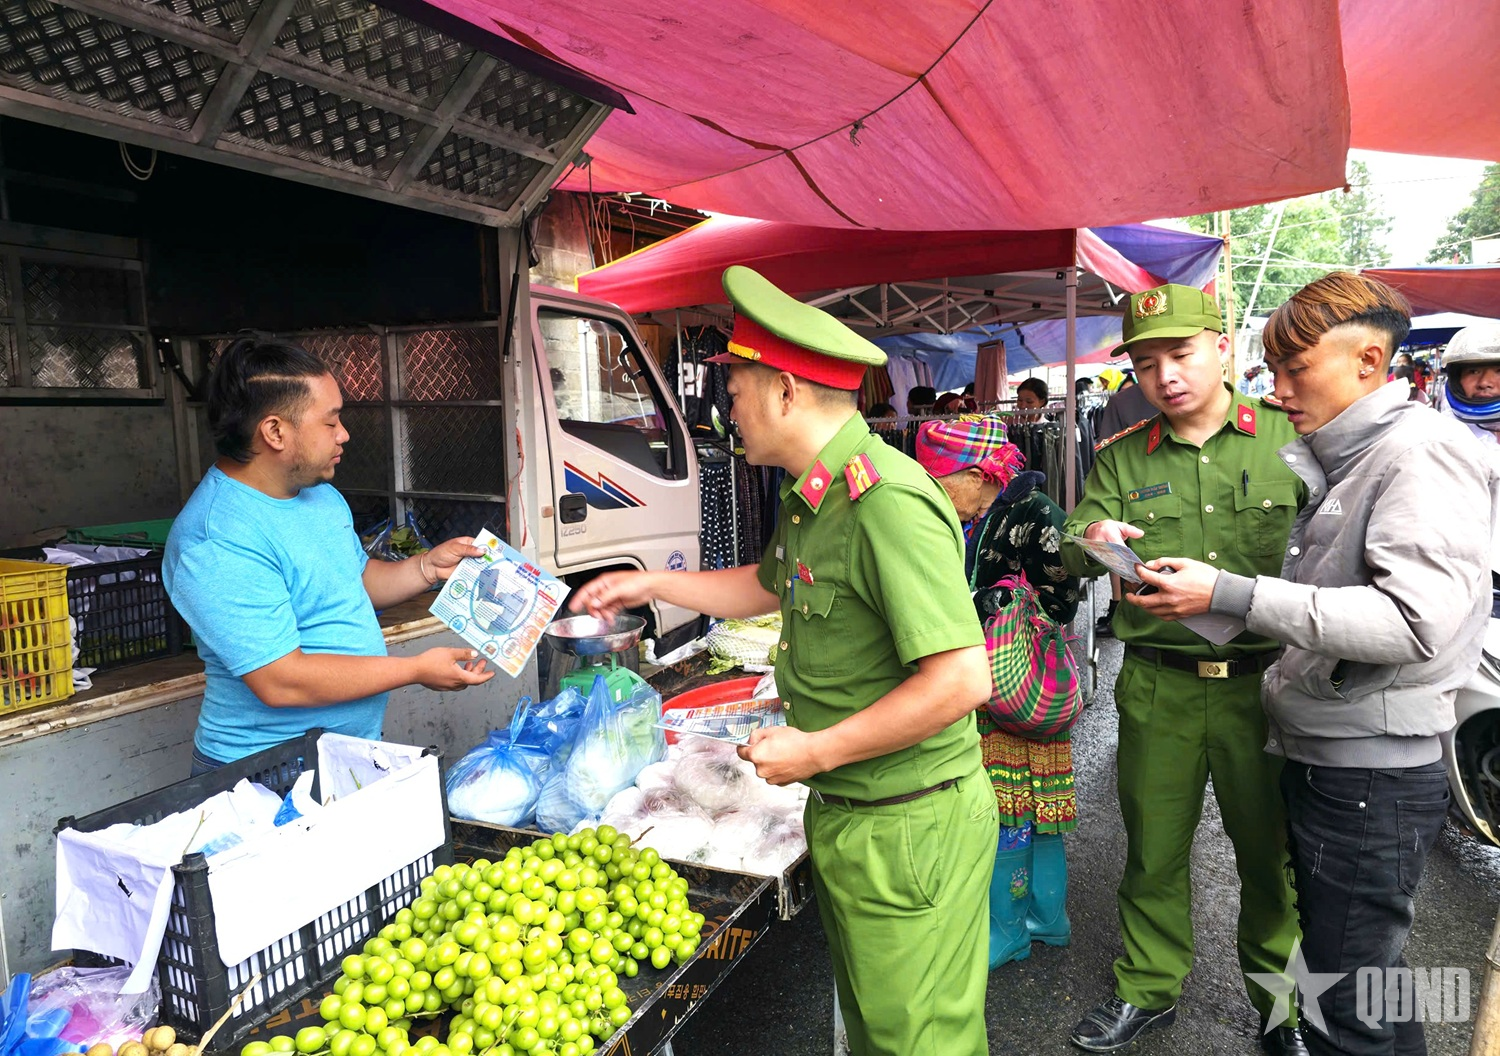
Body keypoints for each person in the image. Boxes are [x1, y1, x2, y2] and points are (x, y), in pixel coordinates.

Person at [574, 266, 996, 1056]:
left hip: (908, 820)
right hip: (855, 814)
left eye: (736, 386)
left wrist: (815, 749)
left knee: (919, 1043)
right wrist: (651, 581)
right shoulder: (816, 495)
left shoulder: (886, 503)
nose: (727, 405)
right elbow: (764, 586)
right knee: (882, 1035)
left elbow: (962, 679)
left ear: (788, 392)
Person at [1134, 274, 1499, 1056]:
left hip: (1368, 775)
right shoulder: (1355, 455)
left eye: (1297, 368)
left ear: (1369, 359)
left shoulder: (1418, 455)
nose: (1280, 387)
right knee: (1364, 983)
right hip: (1339, 755)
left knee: (1344, 1000)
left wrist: (1232, 589)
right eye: (1274, 368)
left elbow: (1413, 619)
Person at [1060, 284, 1306, 1055]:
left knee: (1272, 857)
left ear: (1223, 348)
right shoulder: (1123, 457)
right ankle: (1148, 987)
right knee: (1153, 848)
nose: (1164, 375)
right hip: (1159, 685)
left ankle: (1284, 1007)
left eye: (1181, 353)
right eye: (1145, 362)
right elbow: (1072, 541)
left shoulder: (1290, 442)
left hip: (1264, 686)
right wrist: (1093, 530)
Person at [164, 336, 494, 772]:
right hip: (266, 772)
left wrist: (426, 568)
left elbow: (352, 585)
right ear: (275, 431)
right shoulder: (216, 538)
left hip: (347, 753)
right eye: (330, 422)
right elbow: (282, 681)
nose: (345, 434)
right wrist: (414, 669)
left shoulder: (320, 498)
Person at [914, 415, 1082, 970]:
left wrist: (993, 602)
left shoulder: (1034, 513)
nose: (937, 493)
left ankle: (1013, 927)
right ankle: (1038, 917)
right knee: (1023, 807)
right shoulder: (974, 515)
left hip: (1022, 680)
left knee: (1019, 809)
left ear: (978, 472)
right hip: (990, 681)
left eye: (942, 481)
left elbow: (1063, 598)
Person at [1440, 321, 1500, 456]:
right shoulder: (1440, 440)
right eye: (1473, 371)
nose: (1484, 382)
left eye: (1499, 371)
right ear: (1456, 379)